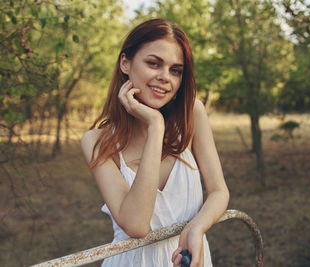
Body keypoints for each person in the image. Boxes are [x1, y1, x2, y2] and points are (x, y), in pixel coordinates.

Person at [80, 18, 229, 267]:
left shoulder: (192, 113)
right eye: (153, 63)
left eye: (175, 70)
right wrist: (155, 126)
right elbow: (136, 224)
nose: (165, 77)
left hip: (187, 258)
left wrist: (196, 228)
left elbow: (219, 191)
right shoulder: (96, 141)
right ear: (125, 63)